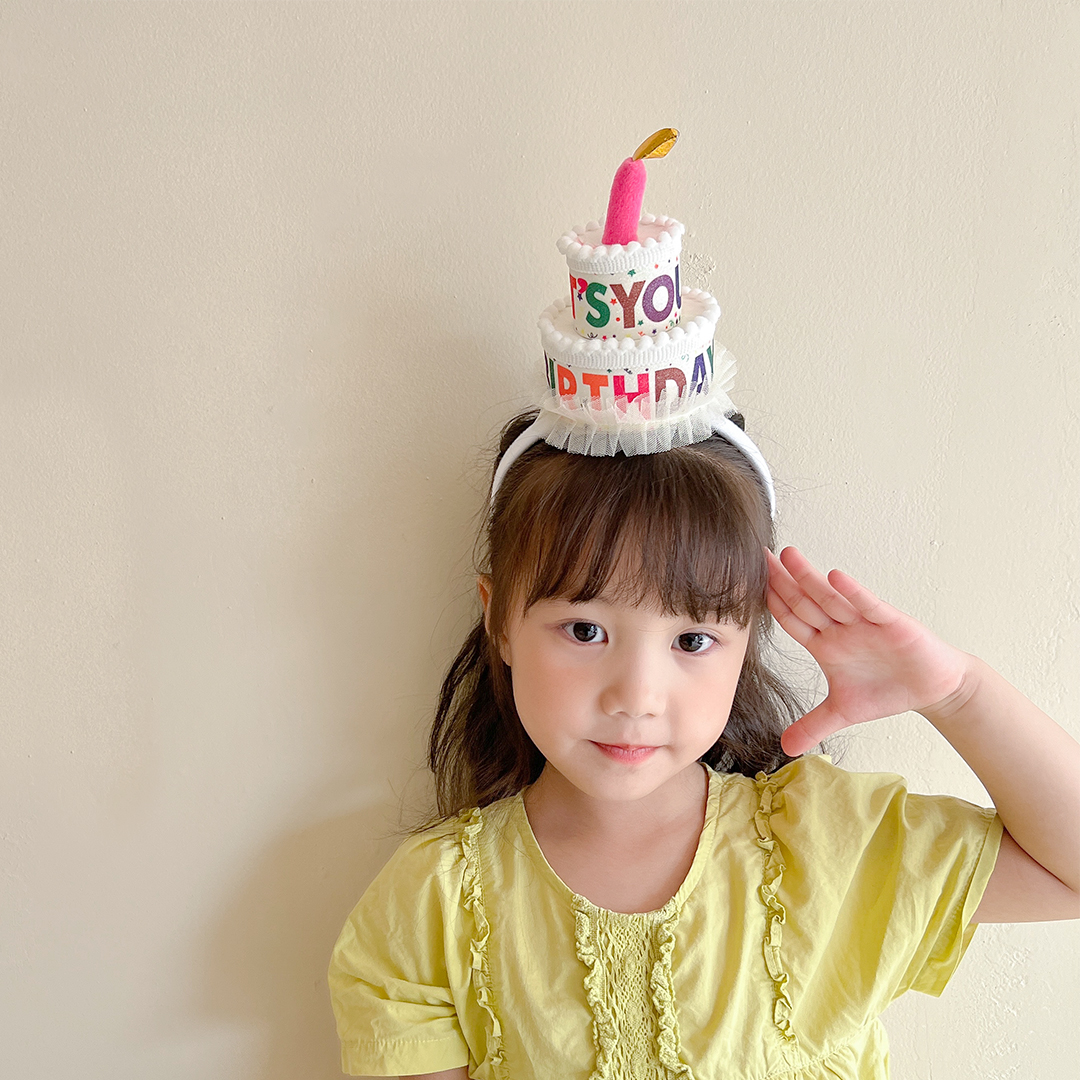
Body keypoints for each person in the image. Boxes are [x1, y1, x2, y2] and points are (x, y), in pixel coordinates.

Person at [328, 407, 1079, 1080]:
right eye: (585, 630)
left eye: (692, 639)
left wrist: (958, 694)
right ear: (499, 620)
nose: (637, 697)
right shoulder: (430, 903)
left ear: (747, 640)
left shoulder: (824, 846)